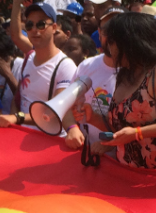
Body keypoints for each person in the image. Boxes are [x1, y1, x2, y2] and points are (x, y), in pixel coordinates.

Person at [75, 13, 156, 169]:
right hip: (128, 175)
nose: (108, 46)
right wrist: (93, 118)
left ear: (131, 42)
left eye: (113, 41)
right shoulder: (125, 73)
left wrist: (138, 133)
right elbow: (122, 130)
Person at [0, 2, 78, 132]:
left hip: (47, 143)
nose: (35, 29)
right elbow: (19, 99)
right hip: (22, 136)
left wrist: (17, 118)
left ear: (54, 27)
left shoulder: (65, 66)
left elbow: (54, 112)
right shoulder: (28, 58)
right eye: (29, 25)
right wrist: (15, 126)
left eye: (41, 24)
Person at [63, 7, 120, 149]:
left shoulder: (137, 71)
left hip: (121, 162)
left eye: (118, 29)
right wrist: (72, 128)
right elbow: (68, 107)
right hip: (84, 155)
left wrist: (110, 145)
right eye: (107, 30)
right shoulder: (86, 66)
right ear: (99, 33)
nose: (113, 35)